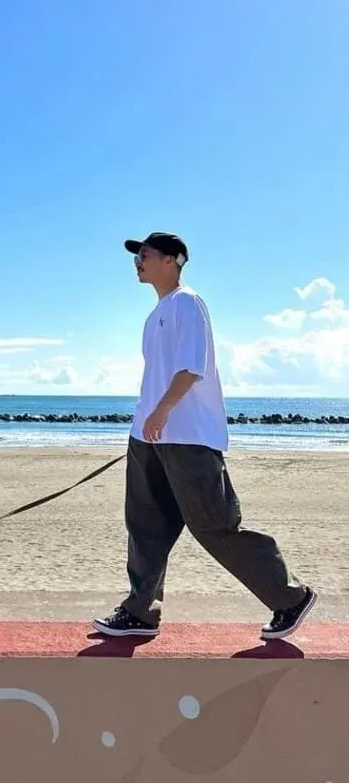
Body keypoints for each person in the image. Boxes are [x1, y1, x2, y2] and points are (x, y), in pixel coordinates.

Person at [93, 232, 317, 641]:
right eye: (137, 255)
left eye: (145, 254)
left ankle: (291, 598)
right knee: (146, 527)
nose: (137, 260)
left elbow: (191, 367)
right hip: (149, 438)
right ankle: (139, 612)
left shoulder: (187, 303)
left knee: (215, 526)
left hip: (188, 437)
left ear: (172, 260)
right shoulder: (156, 313)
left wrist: (161, 410)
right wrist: (146, 419)